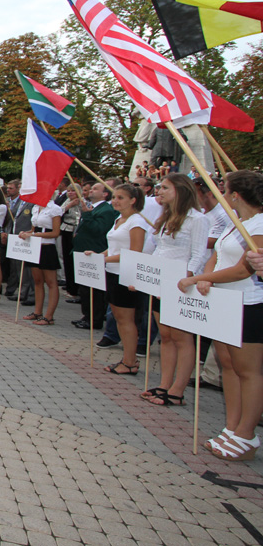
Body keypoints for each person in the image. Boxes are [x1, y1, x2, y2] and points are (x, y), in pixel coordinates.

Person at [181, 171, 263, 460]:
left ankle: (247, 434)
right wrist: (208, 277)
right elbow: (216, 255)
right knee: (228, 365)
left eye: (225, 191)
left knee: (249, 371)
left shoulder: (259, 224)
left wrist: (201, 279)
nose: (222, 196)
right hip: (225, 301)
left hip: (248, 302)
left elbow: (244, 269)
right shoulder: (236, 222)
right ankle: (232, 426)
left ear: (236, 195)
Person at [141, 173, 210, 407]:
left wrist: (188, 277)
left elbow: (199, 254)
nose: (159, 191)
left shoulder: (197, 219)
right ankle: (164, 384)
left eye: (165, 187)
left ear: (180, 190)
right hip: (161, 282)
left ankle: (178, 390)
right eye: (159, 187)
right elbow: (159, 249)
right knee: (166, 336)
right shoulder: (166, 216)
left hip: (180, 283)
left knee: (182, 338)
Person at [94, 184, 150, 374]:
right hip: (112, 272)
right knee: (118, 317)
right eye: (114, 197)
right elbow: (114, 247)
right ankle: (128, 359)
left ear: (133, 200)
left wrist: (105, 259)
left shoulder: (137, 222)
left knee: (126, 320)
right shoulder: (119, 219)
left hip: (125, 274)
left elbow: (135, 251)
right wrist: (99, 255)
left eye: (120, 198)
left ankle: (130, 361)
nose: (115, 201)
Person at [71, 182, 119, 330]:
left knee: (94, 290)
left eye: (95, 189)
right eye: (91, 188)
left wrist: (87, 214)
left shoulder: (106, 210)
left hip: (94, 251)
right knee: (85, 288)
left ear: (105, 194)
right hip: (84, 251)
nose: (91, 190)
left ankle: (94, 319)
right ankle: (87, 316)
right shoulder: (92, 207)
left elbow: (99, 230)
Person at [20, 198, 63, 326]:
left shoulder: (54, 209)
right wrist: (25, 233)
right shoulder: (35, 208)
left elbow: (55, 233)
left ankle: (49, 316)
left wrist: (34, 235)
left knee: (51, 282)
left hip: (47, 247)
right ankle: (37, 312)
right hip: (35, 247)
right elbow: (34, 230)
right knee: (37, 281)